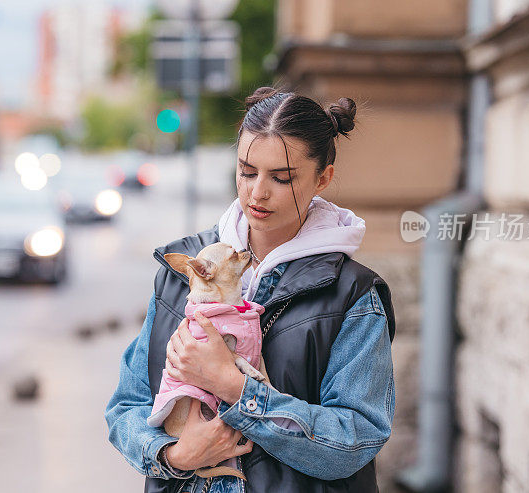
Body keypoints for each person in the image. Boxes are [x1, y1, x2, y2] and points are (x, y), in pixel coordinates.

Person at [105, 87, 396, 493]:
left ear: (322, 179)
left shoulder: (351, 294)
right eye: (246, 171)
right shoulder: (183, 271)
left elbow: (355, 440)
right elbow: (126, 406)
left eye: (282, 178)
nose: (257, 192)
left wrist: (237, 389)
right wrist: (173, 456)